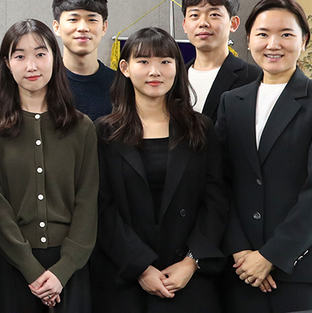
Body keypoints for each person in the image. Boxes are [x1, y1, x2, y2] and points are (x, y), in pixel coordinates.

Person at [216, 0, 312, 312]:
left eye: (286, 34)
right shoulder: (232, 102)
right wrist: (241, 251)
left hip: (304, 266)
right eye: (262, 34)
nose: (273, 44)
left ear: (304, 41)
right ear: (248, 40)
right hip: (241, 268)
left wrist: (271, 255)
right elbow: (219, 181)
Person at [92, 27, 228, 312]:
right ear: (125, 68)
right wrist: (140, 266)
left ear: (177, 68)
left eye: (165, 61)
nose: (155, 71)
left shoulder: (199, 128)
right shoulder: (104, 131)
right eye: (143, 61)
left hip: (190, 277)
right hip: (124, 276)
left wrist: (191, 262)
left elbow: (216, 200)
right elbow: (101, 207)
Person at [0, 19, 97, 313]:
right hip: (10, 266)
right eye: (20, 56)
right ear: (7, 64)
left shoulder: (81, 127)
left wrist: (63, 271)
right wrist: (31, 270)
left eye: (41, 54)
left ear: (55, 59)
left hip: (69, 269)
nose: (31, 66)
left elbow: (87, 203)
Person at [179, 0, 262, 121]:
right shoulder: (174, 79)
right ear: (185, 25)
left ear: (233, 23)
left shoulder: (254, 78)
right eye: (194, 15)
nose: (203, 23)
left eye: (214, 14)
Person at [51, 0, 114, 121]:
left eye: (92, 20)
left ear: (104, 27)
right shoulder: (45, 81)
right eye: (73, 19)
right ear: (57, 27)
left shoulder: (119, 85)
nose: (83, 28)